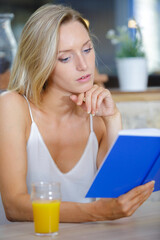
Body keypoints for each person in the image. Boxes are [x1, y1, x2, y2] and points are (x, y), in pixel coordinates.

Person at [0, 4, 154, 224]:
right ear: (39, 63)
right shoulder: (12, 107)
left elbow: (120, 198)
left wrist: (112, 119)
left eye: (87, 49)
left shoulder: (96, 116)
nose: (84, 65)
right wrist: (95, 212)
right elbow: (14, 206)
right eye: (65, 58)